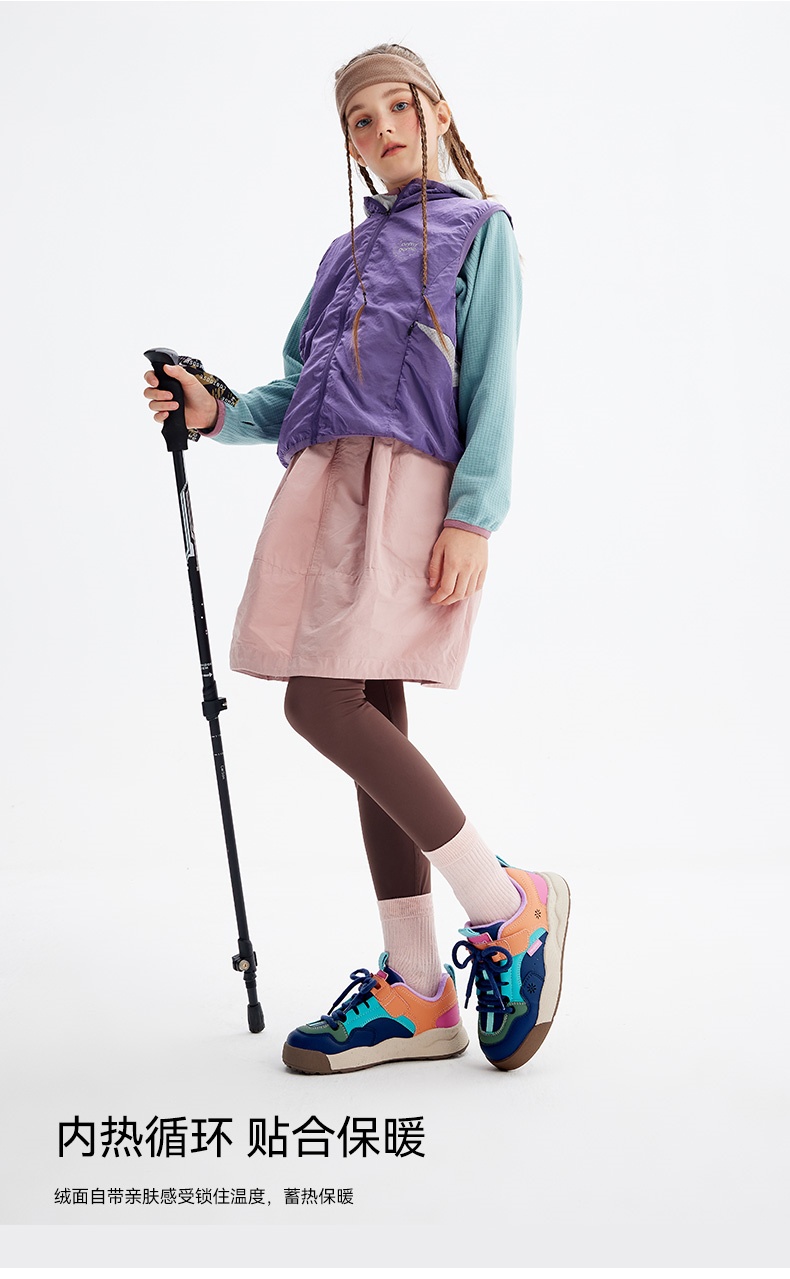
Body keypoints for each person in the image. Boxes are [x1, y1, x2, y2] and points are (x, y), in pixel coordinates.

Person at [143, 43, 570, 1076]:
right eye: (359, 121)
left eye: (396, 107)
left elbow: (494, 385)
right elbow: (301, 392)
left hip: (413, 495)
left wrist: (473, 517)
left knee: (319, 701)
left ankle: (506, 904)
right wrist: (213, 410)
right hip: (330, 490)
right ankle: (417, 986)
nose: (381, 130)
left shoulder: (481, 230)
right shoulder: (342, 255)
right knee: (365, 702)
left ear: (437, 110)